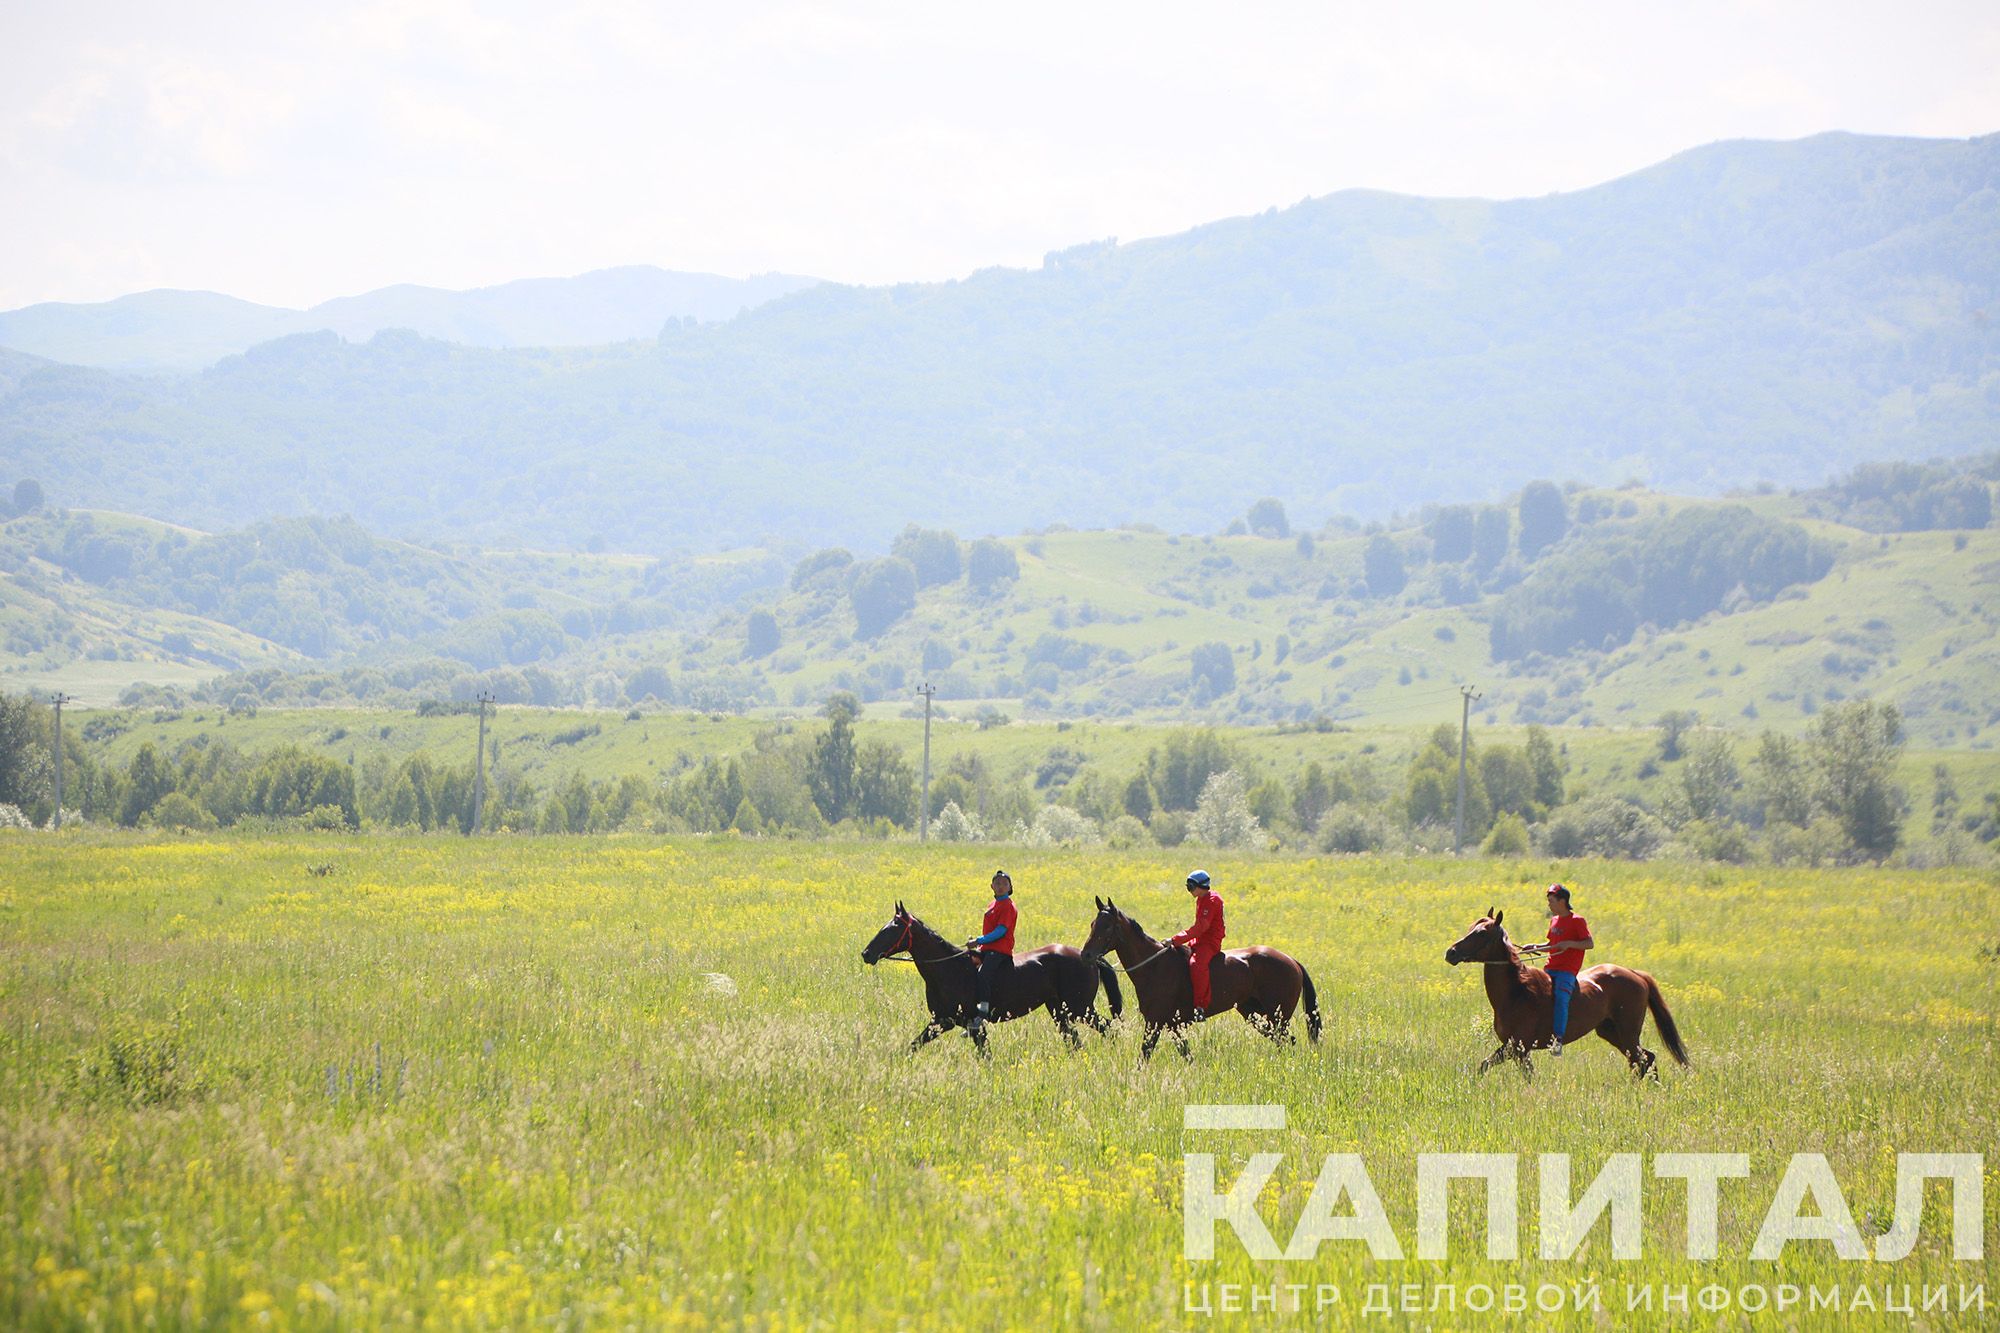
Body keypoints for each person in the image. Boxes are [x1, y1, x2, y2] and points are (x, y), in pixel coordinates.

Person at [1522, 883, 1592, 1055]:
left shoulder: (1577, 921)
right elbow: (1551, 944)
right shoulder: (1554, 921)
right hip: (1550, 968)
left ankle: (1558, 1039)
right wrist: (1535, 946)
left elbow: (1589, 943)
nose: (1549, 905)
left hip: (1567, 971)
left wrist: (1569, 944)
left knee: (1561, 998)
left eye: (1551, 901)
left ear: (1562, 901)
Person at [1167, 869, 1226, 1021]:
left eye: (1190, 887)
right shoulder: (1201, 898)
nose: (1189, 890)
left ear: (1200, 886)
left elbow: (1201, 927)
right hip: (1199, 940)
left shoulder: (1212, 901)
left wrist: (1175, 939)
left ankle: (1200, 1006)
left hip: (1210, 942)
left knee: (1196, 965)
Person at [962, 869, 1017, 1033]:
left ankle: (983, 1013)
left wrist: (979, 940)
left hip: (1000, 950)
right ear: (991, 886)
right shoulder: (993, 904)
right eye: (997, 883)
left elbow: (1001, 931)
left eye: (1004, 884)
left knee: (983, 974)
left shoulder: (1008, 906)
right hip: (987, 948)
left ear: (1010, 887)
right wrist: (980, 945)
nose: (1001, 886)